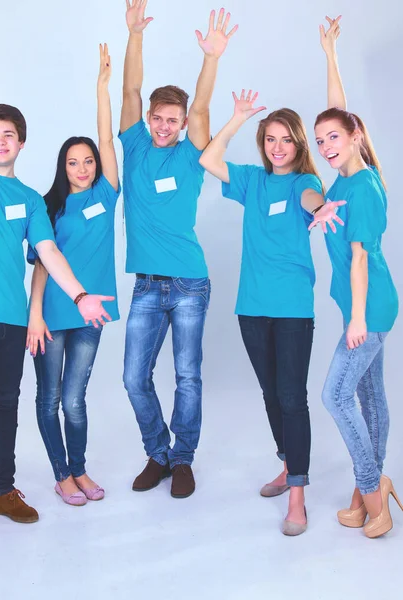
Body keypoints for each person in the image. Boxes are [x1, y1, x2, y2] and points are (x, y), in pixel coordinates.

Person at [199, 88, 344, 534]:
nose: (278, 148)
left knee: (291, 397)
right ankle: (287, 465)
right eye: (270, 140)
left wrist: (321, 210)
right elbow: (208, 159)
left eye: (285, 140)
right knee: (269, 394)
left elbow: (311, 200)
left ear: (300, 145)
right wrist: (239, 117)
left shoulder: (305, 183)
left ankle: (297, 496)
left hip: (293, 310)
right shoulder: (251, 180)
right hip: (252, 309)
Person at [0, 102, 114, 523]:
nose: (1, 142)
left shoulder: (32, 200)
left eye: (8, 135)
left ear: (21, 142)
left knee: (5, 406)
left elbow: (47, 254)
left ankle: (2, 491)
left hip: (13, 321)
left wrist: (79, 296)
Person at [119, 0, 237, 499]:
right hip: (147, 285)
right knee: (132, 378)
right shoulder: (136, 145)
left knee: (187, 376)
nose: (165, 126)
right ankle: (158, 452)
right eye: (158, 119)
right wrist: (135, 35)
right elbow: (128, 88)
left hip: (190, 282)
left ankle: (183, 459)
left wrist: (211, 58)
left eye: (173, 120)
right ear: (149, 118)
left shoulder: (192, 152)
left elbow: (206, 107)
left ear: (183, 121)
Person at [313, 16, 401, 538]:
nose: (325, 145)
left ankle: (374, 492)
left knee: (335, 396)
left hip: (372, 307)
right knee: (370, 399)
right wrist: (330, 54)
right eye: (320, 139)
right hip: (362, 305)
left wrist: (359, 319)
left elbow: (362, 258)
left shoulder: (362, 187)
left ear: (355, 138)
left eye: (333, 138)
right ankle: (365, 493)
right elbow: (339, 112)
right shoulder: (342, 176)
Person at [26, 44, 120, 506]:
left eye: (87, 162)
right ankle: (61, 475)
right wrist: (35, 315)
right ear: (62, 168)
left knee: (74, 401)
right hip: (53, 315)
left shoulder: (107, 191)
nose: (82, 168)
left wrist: (102, 87)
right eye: (72, 162)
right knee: (48, 400)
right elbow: (43, 264)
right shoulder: (49, 206)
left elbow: (107, 139)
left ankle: (80, 470)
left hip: (90, 313)